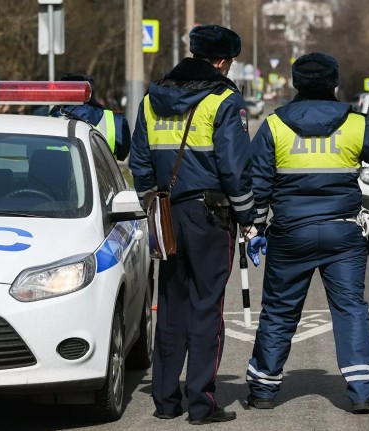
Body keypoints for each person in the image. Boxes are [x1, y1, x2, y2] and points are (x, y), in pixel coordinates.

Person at [245, 52, 369, 414]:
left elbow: (257, 181)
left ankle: (264, 391)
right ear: (334, 83)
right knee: (350, 310)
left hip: (290, 236)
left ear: (296, 83)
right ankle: (362, 392)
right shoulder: (354, 124)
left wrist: (254, 225)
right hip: (342, 235)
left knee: (280, 312)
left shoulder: (275, 126)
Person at [128, 24, 257, 425]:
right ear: (222, 61)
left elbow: (140, 162)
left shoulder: (152, 96)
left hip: (164, 212)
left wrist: (155, 202)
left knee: (170, 306)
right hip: (209, 216)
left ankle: (166, 401)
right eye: (231, 63)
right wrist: (248, 217)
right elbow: (234, 169)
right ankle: (201, 404)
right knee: (206, 308)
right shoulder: (222, 100)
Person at [49, 74, 131, 161]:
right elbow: (123, 154)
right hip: (100, 173)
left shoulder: (51, 118)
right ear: (90, 92)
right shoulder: (115, 121)